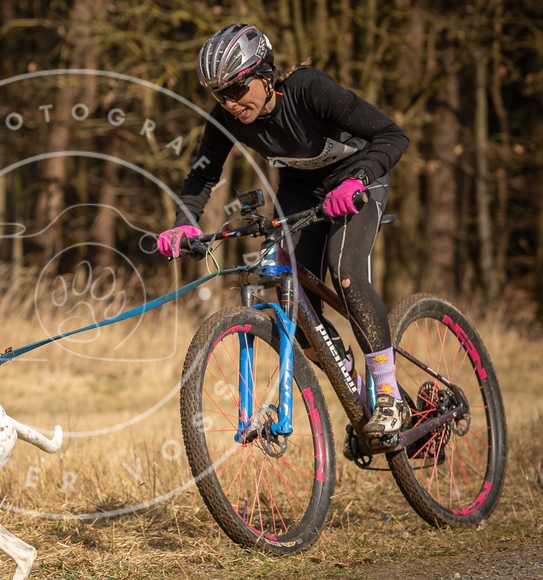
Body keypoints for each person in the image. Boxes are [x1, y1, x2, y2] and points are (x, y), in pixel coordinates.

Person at [157, 23, 411, 452]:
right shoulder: (226, 117)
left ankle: (388, 396)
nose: (232, 104)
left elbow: (392, 135)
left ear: (265, 74)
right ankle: (350, 381)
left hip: (358, 178)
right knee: (293, 304)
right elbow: (203, 173)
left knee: (345, 273)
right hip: (300, 190)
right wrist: (185, 222)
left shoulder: (309, 89)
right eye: (221, 96)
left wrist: (360, 179)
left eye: (238, 90)